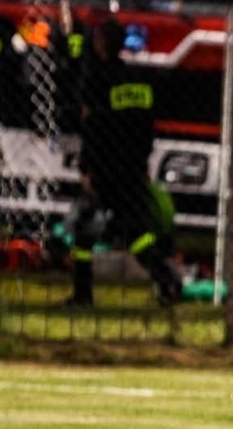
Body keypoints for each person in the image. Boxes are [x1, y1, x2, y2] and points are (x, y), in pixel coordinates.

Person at [66, 19, 182, 309]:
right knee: (126, 226)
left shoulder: (97, 79)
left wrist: (87, 168)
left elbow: (91, 125)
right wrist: (142, 162)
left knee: (106, 227)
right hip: (131, 165)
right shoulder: (139, 80)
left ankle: (163, 276)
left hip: (105, 165)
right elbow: (146, 127)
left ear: (101, 44)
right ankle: (162, 276)